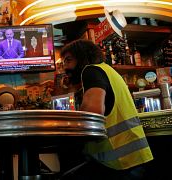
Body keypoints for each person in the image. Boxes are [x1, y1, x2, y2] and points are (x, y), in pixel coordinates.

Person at [58, 39, 153, 180]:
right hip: (132, 158)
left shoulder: (90, 70)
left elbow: (92, 115)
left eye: (68, 60)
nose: (65, 67)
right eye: (63, 62)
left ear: (82, 57)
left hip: (118, 163)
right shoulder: (107, 70)